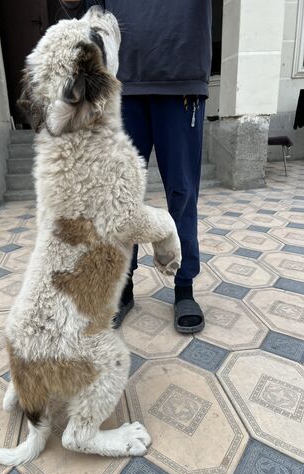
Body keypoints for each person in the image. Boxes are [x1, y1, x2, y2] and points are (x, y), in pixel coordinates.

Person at [60, 0, 212, 334]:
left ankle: (184, 286)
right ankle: (122, 288)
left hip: (181, 74)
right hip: (120, 81)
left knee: (182, 192)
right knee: (119, 198)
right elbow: (85, 9)